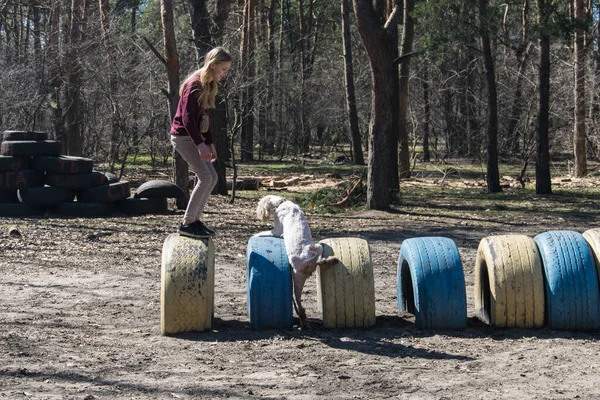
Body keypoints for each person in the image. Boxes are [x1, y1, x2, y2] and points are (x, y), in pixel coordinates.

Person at [169, 47, 232, 238]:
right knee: (205, 177)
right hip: (183, 137)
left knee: (212, 178)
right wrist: (200, 145)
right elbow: (187, 120)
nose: (225, 73)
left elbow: (203, 120)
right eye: (223, 69)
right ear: (213, 65)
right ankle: (188, 223)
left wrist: (210, 142)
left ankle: (194, 220)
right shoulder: (195, 84)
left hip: (194, 137)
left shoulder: (208, 84)